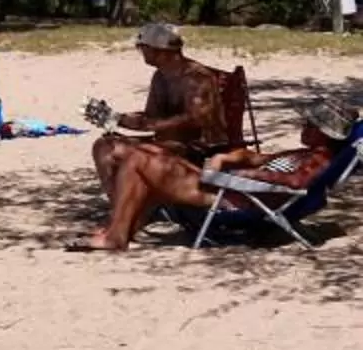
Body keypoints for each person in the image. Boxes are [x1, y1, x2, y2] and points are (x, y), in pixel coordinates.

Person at [78, 108, 354, 252]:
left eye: (309, 124)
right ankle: (124, 227)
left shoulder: (319, 161)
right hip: (228, 185)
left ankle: (116, 236)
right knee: (149, 152)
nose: (303, 126)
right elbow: (257, 157)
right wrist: (228, 160)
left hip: (233, 197)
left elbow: (294, 184)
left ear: (323, 133)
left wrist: (244, 176)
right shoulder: (304, 153)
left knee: (138, 160)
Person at [92, 22, 237, 196]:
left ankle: (128, 207)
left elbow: (196, 120)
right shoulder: (161, 76)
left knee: (126, 152)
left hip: (198, 149)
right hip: (169, 142)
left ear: (159, 51)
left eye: (143, 47)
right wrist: (117, 118)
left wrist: (152, 125)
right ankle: (118, 203)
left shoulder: (197, 77)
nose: (141, 52)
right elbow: (151, 116)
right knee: (104, 146)